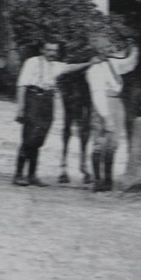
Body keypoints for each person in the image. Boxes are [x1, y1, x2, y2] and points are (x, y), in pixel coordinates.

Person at [14, 42, 101, 187]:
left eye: (54, 51)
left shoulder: (56, 65)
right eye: (48, 50)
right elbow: (22, 85)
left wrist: (90, 63)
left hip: (48, 102)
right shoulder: (32, 62)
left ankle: (31, 175)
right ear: (42, 50)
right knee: (29, 138)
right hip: (33, 99)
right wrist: (21, 108)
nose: (51, 53)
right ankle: (18, 174)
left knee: (39, 140)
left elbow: (71, 68)